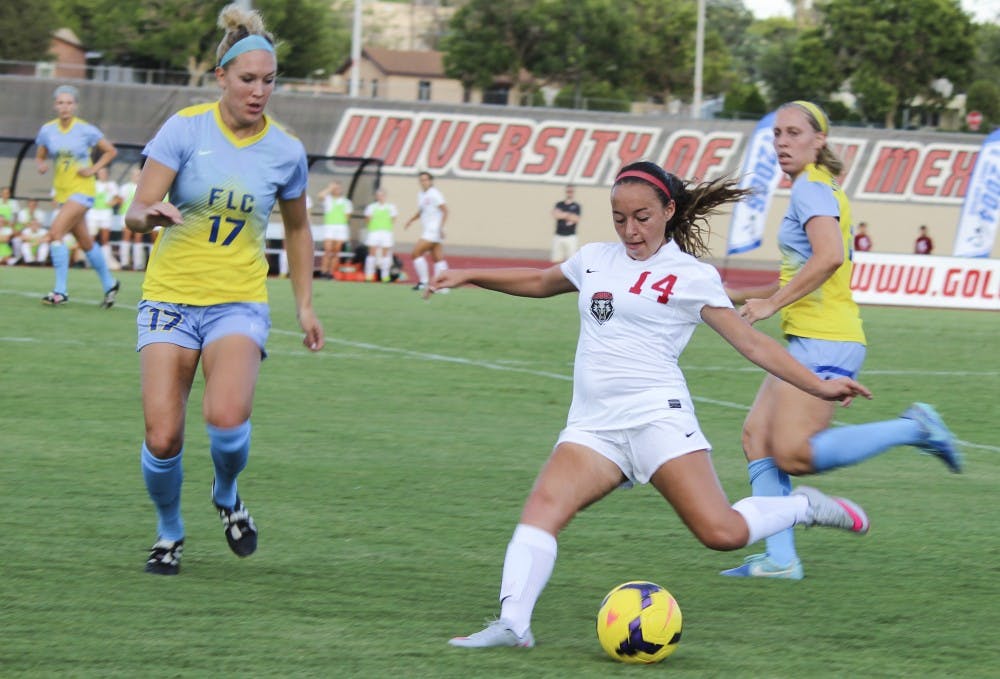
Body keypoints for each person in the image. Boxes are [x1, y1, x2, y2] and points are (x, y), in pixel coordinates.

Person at [431, 160, 874, 649]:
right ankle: (513, 624)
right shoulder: (595, 258)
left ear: (668, 209)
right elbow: (539, 282)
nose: (629, 230)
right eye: (619, 218)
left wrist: (818, 385)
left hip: (658, 420)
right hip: (593, 426)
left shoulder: (690, 275)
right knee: (543, 510)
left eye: (641, 217)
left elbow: (751, 344)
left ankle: (799, 507)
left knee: (721, 532)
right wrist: (469, 274)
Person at [720, 101, 961, 581]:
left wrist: (768, 306)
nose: (782, 142)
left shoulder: (811, 186)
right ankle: (781, 560)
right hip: (814, 335)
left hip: (826, 338)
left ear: (818, 140)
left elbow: (828, 258)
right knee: (756, 439)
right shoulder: (816, 188)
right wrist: (742, 295)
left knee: (791, 454)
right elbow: (804, 272)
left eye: (793, 133)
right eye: (777, 135)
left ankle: (914, 429)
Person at [124, 3, 325, 576]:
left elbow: (298, 226)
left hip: (237, 301)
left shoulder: (285, 151)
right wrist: (151, 215)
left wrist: (305, 305)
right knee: (163, 437)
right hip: (169, 298)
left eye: (268, 81)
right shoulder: (184, 129)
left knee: (228, 417)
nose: (259, 91)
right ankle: (169, 532)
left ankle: (227, 493)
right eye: (247, 80)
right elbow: (135, 213)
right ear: (221, 78)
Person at [34, 84, 120, 307]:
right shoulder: (47, 130)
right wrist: (41, 164)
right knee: (86, 242)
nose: (65, 107)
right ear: (55, 105)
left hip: (82, 190)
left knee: (56, 233)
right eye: (61, 103)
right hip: (62, 192)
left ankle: (60, 291)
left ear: (75, 106)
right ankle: (110, 284)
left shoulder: (86, 129)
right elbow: (40, 154)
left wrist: (93, 169)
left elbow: (111, 151)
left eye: (69, 103)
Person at [404, 171, 448, 291]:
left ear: (431, 181)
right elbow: (422, 211)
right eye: (421, 180)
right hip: (429, 230)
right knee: (437, 258)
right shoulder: (421, 194)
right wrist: (411, 220)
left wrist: (441, 228)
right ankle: (443, 286)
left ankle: (424, 282)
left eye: (425, 180)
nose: (423, 182)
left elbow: (445, 210)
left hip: (433, 230)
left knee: (416, 253)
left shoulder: (435, 194)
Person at [87, 166, 121, 269]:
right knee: (91, 238)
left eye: (105, 173)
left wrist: (112, 203)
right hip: (93, 213)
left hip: (106, 213)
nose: (103, 175)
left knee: (104, 239)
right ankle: (90, 262)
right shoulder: (93, 184)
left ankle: (106, 262)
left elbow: (118, 199)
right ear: (97, 174)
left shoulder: (112, 185)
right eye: (101, 173)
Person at [317, 180, 352, 278]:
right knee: (327, 250)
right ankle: (323, 271)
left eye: (338, 188)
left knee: (336, 251)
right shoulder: (328, 199)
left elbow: (347, 216)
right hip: (329, 227)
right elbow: (320, 196)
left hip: (340, 227)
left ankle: (331, 273)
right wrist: (329, 188)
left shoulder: (346, 202)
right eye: (335, 188)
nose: (336, 190)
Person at [116, 167, 147, 270]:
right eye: (135, 175)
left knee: (138, 238)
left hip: (140, 215)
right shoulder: (125, 187)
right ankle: (124, 263)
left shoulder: (144, 187)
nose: (136, 177)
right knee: (126, 237)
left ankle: (138, 264)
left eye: (138, 175)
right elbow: (120, 201)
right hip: (126, 214)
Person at [363, 188, 397, 282]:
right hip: (374, 232)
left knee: (385, 254)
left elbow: (393, 219)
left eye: (382, 195)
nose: (380, 197)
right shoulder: (371, 207)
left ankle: (385, 275)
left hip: (386, 233)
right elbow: (367, 219)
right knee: (372, 253)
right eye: (378, 195)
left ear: (385, 196)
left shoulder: (391, 207)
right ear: (376, 196)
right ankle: (369, 275)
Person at [550, 184, 581, 262]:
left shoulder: (576, 206)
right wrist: (569, 215)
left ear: (573, 192)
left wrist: (563, 214)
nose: (569, 193)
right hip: (558, 235)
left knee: (571, 261)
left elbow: (576, 219)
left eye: (571, 191)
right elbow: (555, 215)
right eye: (568, 191)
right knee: (556, 260)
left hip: (570, 236)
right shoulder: (559, 204)